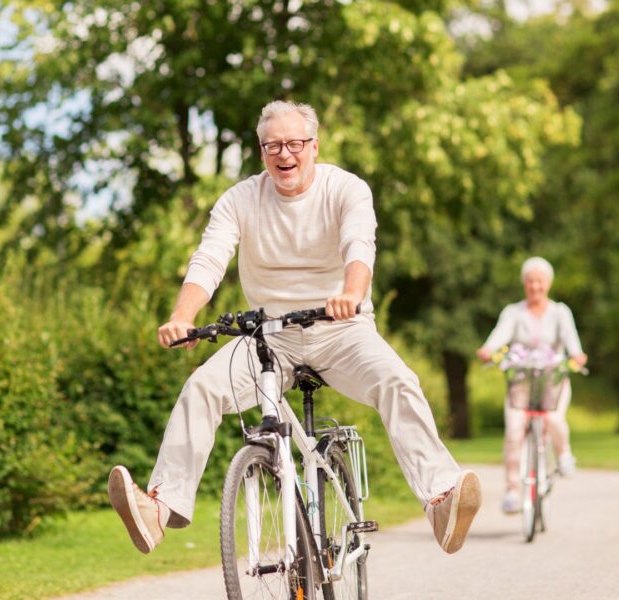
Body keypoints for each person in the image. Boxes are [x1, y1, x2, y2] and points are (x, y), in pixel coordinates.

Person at [107, 100, 481, 557]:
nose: (285, 154)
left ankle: (441, 500)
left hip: (341, 329)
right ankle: (159, 509)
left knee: (397, 380)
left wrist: (351, 292)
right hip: (268, 336)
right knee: (202, 386)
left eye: (294, 144)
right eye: (273, 146)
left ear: (314, 146)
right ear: (262, 151)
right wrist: (182, 316)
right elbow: (209, 259)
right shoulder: (240, 199)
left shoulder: (346, 188)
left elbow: (359, 245)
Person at [475, 257, 588, 514]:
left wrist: (577, 355)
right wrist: (488, 349)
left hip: (552, 380)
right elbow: (500, 334)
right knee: (514, 431)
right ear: (524, 284)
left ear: (548, 284)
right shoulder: (514, 312)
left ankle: (563, 455)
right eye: (530, 281)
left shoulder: (560, 312)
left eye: (539, 281)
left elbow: (572, 341)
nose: (535, 286)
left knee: (554, 419)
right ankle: (513, 491)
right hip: (522, 382)